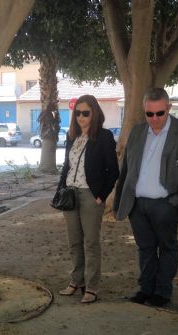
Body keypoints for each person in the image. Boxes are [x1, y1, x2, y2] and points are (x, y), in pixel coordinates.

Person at [113, 88, 178, 307]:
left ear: (169, 108)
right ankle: (146, 289)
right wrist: (122, 200)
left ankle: (162, 292)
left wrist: (177, 201)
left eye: (160, 113)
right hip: (138, 204)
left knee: (168, 248)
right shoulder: (137, 132)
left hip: (166, 204)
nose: (154, 118)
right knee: (145, 249)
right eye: (149, 114)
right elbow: (126, 169)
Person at [57, 95, 119, 304]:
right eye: (78, 113)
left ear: (94, 113)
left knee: (90, 242)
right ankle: (77, 281)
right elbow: (67, 166)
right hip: (71, 195)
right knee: (74, 242)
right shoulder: (71, 136)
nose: (81, 117)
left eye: (86, 113)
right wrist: (61, 188)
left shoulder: (103, 136)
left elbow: (113, 170)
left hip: (91, 196)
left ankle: (91, 287)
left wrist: (101, 195)